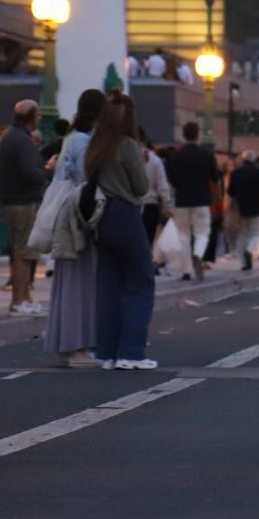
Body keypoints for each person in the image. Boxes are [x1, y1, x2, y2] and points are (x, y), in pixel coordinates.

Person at [87, 93, 158, 369]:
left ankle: (106, 352)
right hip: (124, 213)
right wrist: (141, 161)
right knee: (141, 282)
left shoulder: (96, 145)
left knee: (109, 286)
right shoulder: (127, 145)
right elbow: (140, 187)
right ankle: (131, 352)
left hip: (100, 216)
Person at [46, 89, 106, 367]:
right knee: (80, 282)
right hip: (78, 219)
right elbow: (86, 181)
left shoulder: (71, 138)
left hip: (65, 214)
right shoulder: (83, 141)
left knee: (69, 280)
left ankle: (67, 343)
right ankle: (77, 346)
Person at [0, 100, 49, 316]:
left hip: (11, 200)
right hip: (23, 202)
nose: (39, 119)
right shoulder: (22, 140)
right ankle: (19, 300)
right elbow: (30, 173)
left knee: (21, 251)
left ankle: (25, 298)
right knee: (23, 253)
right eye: (38, 116)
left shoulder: (9, 136)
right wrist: (47, 171)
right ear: (31, 117)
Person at [165, 121, 219, 280]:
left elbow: (171, 181)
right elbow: (215, 178)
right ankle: (198, 254)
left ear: (184, 135)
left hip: (181, 200)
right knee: (202, 232)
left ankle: (186, 271)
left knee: (183, 235)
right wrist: (217, 196)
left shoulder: (174, 157)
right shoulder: (207, 154)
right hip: (202, 200)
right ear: (197, 134)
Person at [227, 150, 259, 271]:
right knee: (255, 233)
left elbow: (231, 192)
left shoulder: (235, 173)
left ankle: (243, 263)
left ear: (243, 159)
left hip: (240, 208)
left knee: (242, 234)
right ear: (254, 159)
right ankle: (250, 250)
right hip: (255, 207)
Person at [138, 128, 173, 249]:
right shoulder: (155, 160)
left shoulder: (125, 157)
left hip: (132, 205)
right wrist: (167, 205)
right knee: (147, 242)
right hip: (150, 205)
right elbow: (163, 187)